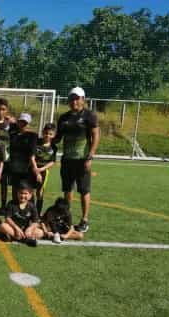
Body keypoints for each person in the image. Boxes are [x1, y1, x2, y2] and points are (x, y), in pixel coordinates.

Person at [54, 87, 100, 233]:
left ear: (83, 100)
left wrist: (90, 156)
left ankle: (84, 220)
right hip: (67, 160)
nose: (74, 101)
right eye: (72, 98)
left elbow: (96, 136)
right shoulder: (63, 118)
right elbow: (57, 138)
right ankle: (67, 218)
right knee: (67, 190)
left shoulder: (89, 116)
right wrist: (44, 140)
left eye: (77, 98)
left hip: (82, 160)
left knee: (84, 190)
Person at [0, 182, 43, 247]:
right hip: (13, 229)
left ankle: (16, 237)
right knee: (3, 226)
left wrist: (30, 228)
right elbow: (7, 218)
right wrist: (16, 228)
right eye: (21, 193)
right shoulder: (11, 204)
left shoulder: (32, 206)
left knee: (40, 232)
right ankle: (25, 239)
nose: (23, 196)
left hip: (25, 231)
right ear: (17, 193)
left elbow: (36, 222)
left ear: (30, 195)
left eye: (25, 194)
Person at [0, 98, 14, 210]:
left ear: (7, 110)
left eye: (3, 109)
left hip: (6, 158)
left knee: (4, 183)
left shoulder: (10, 124)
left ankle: (3, 206)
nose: (1, 111)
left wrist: (14, 122)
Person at [9, 112, 37, 199]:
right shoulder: (13, 134)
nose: (23, 124)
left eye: (25, 122)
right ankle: (14, 207)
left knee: (28, 188)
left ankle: (31, 208)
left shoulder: (33, 136)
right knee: (15, 188)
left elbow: (32, 153)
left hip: (26, 168)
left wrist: (35, 168)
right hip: (14, 166)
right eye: (21, 122)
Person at [32, 123, 57, 214]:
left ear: (53, 135)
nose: (47, 135)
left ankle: (37, 213)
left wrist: (42, 169)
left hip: (43, 171)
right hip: (32, 169)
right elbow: (32, 157)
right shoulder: (36, 143)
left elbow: (52, 161)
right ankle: (31, 211)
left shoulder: (53, 147)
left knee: (39, 192)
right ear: (43, 132)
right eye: (46, 133)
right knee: (30, 191)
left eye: (50, 134)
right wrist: (36, 169)